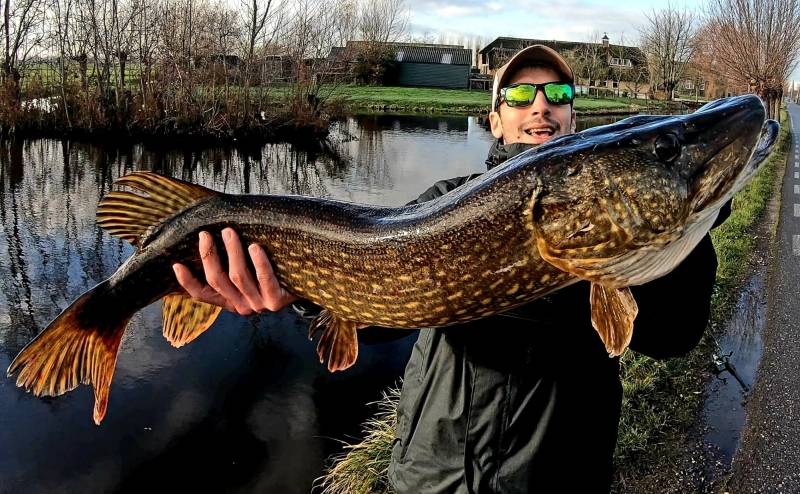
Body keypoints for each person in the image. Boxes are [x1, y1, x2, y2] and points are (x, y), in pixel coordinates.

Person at [172, 45, 725, 492]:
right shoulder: (443, 200)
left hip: (559, 474)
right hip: (434, 473)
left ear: (573, 117)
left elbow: (676, 334)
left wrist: (684, 222)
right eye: (520, 95)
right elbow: (386, 313)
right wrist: (306, 294)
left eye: (557, 94)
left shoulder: (618, 222)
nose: (540, 105)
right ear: (495, 119)